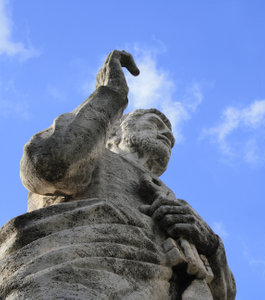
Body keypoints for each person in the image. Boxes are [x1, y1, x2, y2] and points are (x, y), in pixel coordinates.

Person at [0, 50, 235, 299]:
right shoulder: (91, 153)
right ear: (113, 134)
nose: (167, 135)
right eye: (154, 124)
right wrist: (110, 96)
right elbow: (48, 166)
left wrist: (211, 244)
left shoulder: (176, 202)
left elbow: (224, 293)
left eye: (171, 135)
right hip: (77, 278)